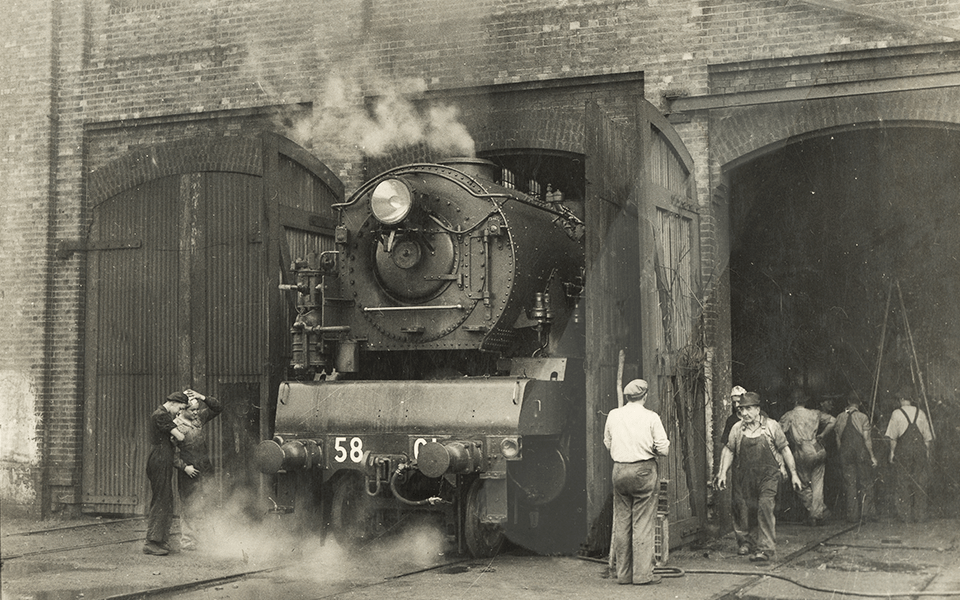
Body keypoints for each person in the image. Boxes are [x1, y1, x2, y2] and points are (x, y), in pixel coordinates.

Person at [715, 391, 803, 563]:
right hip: (746, 477)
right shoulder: (737, 429)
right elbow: (729, 450)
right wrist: (722, 473)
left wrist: (794, 475)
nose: (744, 413)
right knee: (749, 510)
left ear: (757, 409)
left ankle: (765, 549)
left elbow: (785, 449)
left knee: (765, 507)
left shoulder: (772, 426)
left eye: (748, 409)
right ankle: (750, 544)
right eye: (741, 409)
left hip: (769, 476)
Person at [603, 379, 670, 585]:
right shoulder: (651, 417)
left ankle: (623, 575)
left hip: (619, 470)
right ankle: (642, 576)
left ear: (627, 396)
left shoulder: (614, 415)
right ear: (645, 396)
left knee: (622, 522)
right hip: (643, 471)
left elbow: (607, 442)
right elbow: (664, 449)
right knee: (642, 523)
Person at [173, 389, 222, 551]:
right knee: (189, 505)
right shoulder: (175, 427)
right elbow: (169, 454)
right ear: (182, 409)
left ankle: (208, 538)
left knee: (209, 501)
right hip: (189, 471)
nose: (196, 413)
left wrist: (202, 397)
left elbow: (218, 408)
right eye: (192, 410)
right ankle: (188, 541)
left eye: (196, 409)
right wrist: (184, 467)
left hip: (205, 469)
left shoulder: (198, 419)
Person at [779, 389, 836, 526]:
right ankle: (819, 512)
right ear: (804, 401)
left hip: (802, 449)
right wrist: (822, 435)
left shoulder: (789, 416)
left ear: (794, 402)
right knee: (818, 482)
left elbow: (778, 433)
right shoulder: (815, 413)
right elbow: (833, 420)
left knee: (801, 484)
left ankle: (817, 511)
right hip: (818, 448)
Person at [144, 391, 189, 556]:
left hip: (162, 458)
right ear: (173, 402)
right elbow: (180, 437)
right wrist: (180, 428)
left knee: (166, 499)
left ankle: (160, 539)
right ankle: (152, 542)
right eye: (180, 408)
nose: (179, 412)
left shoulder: (163, 415)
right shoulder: (161, 415)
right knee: (161, 499)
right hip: (160, 459)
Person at [884, 387, 933, 522]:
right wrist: (926, 454)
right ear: (911, 399)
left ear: (901, 399)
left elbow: (892, 437)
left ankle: (905, 516)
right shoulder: (921, 413)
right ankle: (920, 516)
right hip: (919, 451)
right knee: (920, 483)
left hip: (903, 451)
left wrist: (892, 453)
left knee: (903, 482)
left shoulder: (896, 413)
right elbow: (927, 438)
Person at [834, 392, 877, 523]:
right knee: (866, 481)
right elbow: (867, 439)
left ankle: (852, 516)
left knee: (850, 484)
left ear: (848, 401)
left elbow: (838, 439)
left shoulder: (839, 417)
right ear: (859, 403)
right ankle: (866, 513)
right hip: (861, 452)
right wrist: (872, 456)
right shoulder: (862, 417)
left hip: (845, 452)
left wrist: (841, 454)